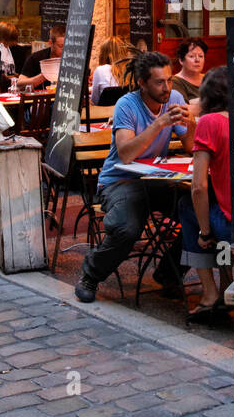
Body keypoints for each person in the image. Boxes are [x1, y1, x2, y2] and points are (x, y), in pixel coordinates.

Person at [75, 51, 196, 303]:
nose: (167, 88)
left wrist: (192, 123)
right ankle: (90, 275)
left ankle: (168, 274)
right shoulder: (127, 104)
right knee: (127, 228)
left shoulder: (174, 98)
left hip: (157, 180)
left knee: (201, 215)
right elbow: (126, 153)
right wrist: (159, 123)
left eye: (169, 80)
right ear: (142, 82)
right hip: (119, 181)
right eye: (159, 82)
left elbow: (190, 146)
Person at [182, 67, 233, 323]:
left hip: (230, 226)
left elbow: (198, 185)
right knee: (217, 217)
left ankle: (211, 293)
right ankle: (226, 287)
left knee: (187, 206)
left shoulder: (210, 122)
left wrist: (204, 233)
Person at [17, 24, 65, 90]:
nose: (65, 50)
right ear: (50, 43)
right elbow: (19, 85)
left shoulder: (73, 60)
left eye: (67, 46)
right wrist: (45, 75)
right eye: (61, 46)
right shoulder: (36, 58)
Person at [90, 35, 134, 106]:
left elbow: (95, 101)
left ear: (103, 54)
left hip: (105, 112)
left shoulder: (100, 70)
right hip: (126, 111)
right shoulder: (130, 70)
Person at [171, 37, 207, 104]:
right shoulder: (175, 81)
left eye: (201, 56)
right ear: (181, 60)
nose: (197, 60)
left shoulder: (209, 78)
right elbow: (182, 107)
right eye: (192, 56)